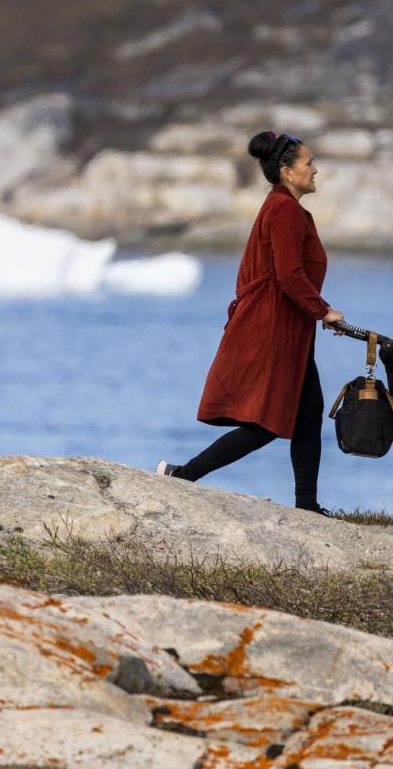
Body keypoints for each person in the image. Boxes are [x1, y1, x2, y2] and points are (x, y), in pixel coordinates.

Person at [155, 130, 344, 515]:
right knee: (270, 419)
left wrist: (314, 313)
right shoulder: (285, 211)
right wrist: (323, 311)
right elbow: (289, 274)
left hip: (289, 327)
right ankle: (183, 475)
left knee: (308, 414)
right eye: (309, 163)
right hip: (275, 326)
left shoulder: (282, 207)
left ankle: (307, 504)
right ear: (288, 172)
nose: (316, 169)